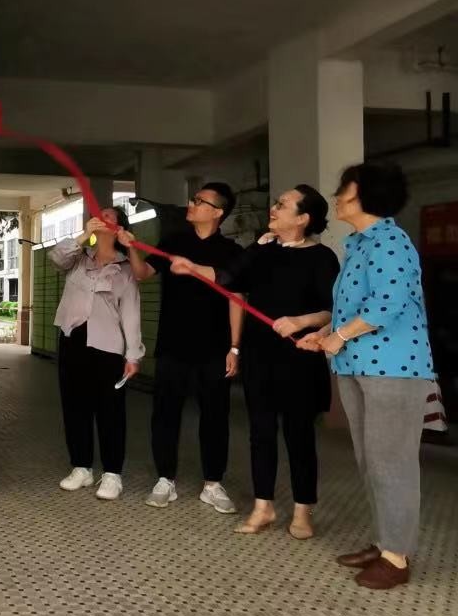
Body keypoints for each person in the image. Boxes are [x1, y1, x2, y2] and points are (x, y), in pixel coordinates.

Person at [166, 186, 339, 538]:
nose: (273, 208)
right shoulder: (261, 251)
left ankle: (303, 511)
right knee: (260, 433)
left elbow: (331, 309)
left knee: (299, 435)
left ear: (303, 218)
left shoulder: (322, 257)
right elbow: (227, 277)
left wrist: (301, 321)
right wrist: (193, 267)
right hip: (260, 355)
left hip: (300, 357)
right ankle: (263, 507)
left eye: (282, 205)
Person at [298, 163, 435, 590]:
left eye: (345, 189)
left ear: (366, 196)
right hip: (358, 365)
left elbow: (387, 304)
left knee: (392, 463)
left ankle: (397, 557)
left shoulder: (391, 242)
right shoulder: (360, 245)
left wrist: (338, 336)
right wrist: (325, 332)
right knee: (372, 461)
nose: (337, 196)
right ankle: (384, 542)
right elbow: (354, 307)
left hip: (394, 368)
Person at [118, 182, 244, 513]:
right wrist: (131, 248)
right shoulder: (174, 242)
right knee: (165, 413)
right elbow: (142, 273)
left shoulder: (232, 251)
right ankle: (165, 479)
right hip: (173, 344)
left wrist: (234, 347)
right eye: (193, 198)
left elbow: (236, 299)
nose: (191, 203)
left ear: (217, 212)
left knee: (215, 416)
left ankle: (212, 483)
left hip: (215, 347)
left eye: (200, 201)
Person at [49, 207, 143, 500]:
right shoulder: (78, 258)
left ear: (119, 228)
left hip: (108, 345)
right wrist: (84, 236)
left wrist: (133, 355)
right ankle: (81, 467)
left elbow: (131, 313)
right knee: (74, 406)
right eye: (99, 214)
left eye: (110, 216)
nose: (102, 217)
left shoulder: (125, 270)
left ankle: (113, 473)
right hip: (72, 340)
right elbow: (56, 258)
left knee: (110, 410)